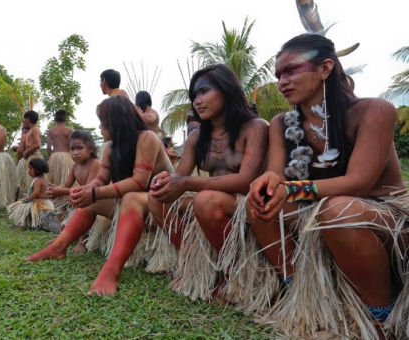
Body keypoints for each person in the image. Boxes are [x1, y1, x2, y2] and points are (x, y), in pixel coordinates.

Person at [243, 34, 409, 339]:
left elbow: (358, 183)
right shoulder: (282, 123)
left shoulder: (374, 111)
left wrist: (293, 190)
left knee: (338, 209)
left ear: (325, 68)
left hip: (387, 219)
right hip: (319, 213)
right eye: (279, 74)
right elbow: (276, 174)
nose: (282, 80)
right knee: (261, 204)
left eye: (292, 70)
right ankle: (302, 295)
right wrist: (266, 183)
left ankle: (381, 318)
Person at [27, 96, 174, 297]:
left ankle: (112, 271)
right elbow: (101, 179)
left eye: (103, 122)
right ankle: (58, 247)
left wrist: (94, 191)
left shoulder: (147, 137)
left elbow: (139, 182)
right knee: (92, 201)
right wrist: (87, 190)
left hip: (164, 209)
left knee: (129, 197)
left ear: (116, 121)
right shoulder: (112, 148)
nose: (100, 127)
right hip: (136, 210)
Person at [147, 64, 269, 302]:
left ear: (226, 90)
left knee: (206, 200)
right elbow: (180, 176)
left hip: (246, 204)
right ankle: (195, 262)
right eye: (194, 96)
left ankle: (236, 274)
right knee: (156, 198)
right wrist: (166, 181)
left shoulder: (255, 127)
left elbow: (246, 181)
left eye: (204, 92)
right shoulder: (196, 137)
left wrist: (186, 183)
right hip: (210, 202)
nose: (197, 101)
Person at [47, 130, 102, 253]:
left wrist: (59, 190)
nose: (75, 153)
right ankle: (64, 235)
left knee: (82, 202)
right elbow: (66, 185)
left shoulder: (95, 164)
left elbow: (88, 190)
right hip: (83, 195)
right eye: (71, 149)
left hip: (97, 199)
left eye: (79, 148)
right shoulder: (75, 166)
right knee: (59, 200)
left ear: (91, 149)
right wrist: (54, 190)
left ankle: (83, 241)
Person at [7, 158, 54, 229]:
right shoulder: (44, 178)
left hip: (39, 202)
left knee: (23, 208)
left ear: (32, 171)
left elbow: (36, 193)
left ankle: (21, 226)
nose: (27, 171)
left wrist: (27, 200)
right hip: (45, 201)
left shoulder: (38, 180)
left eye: (28, 169)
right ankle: (31, 223)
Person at [18, 111, 44, 200]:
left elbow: (37, 144)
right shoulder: (32, 130)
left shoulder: (35, 129)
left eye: (25, 119)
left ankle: (35, 201)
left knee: (34, 181)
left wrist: (26, 152)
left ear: (28, 119)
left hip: (35, 157)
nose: (24, 121)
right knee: (29, 182)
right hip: (31, 157)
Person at [47, 109, 74, 186]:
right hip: (67, 157)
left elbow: (48, 147)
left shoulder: (51, 131)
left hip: (54, 156)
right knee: (67, 179)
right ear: (65, 119)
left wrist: (50, 157)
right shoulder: (70, 130)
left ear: (55, 119)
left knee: (53, 181)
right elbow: (73, 146)